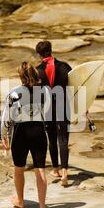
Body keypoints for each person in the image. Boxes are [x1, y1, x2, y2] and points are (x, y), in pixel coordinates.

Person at [0, 62, 50, 208]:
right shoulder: (45, 91)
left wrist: (3, 135)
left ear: (20, 76)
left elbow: (6, 116)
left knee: (19, 167)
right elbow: (47, 110)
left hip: (21, 132)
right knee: (40, 169)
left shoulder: (14, 93)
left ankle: (20, 201)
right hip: (38, 130)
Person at [35, 41, 72, 186]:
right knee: (63, 140)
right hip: (64, 106)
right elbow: (75, 87)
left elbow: (37, 94)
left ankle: (55, 169)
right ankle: (64, 174)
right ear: (51, 50)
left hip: (47, 108)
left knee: (52, 139)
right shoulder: (64, 66)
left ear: (39, 54)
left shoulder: (37, 71)